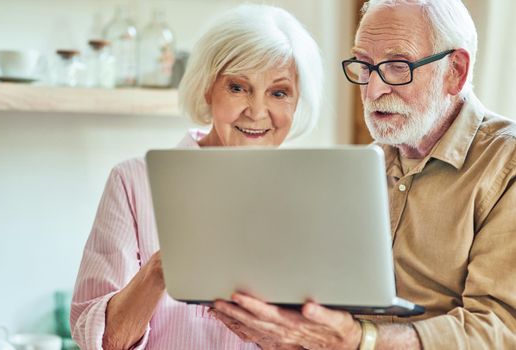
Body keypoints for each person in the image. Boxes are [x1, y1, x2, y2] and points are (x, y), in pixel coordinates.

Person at [212, 1, 516, 349]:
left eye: (397, 67)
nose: (373, 91)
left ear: (455, 71)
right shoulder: (361, 168)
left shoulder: (506, 165)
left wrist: (363, 340)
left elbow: (501, 328)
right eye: (364, 67)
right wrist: (284, 333)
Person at [70, 4, 323, 350]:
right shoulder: (133, 182)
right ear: (208, 89)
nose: (258, 111)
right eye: (238, 87)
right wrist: (161, 269)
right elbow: (102, 341)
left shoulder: (315, 194)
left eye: (278, 93)